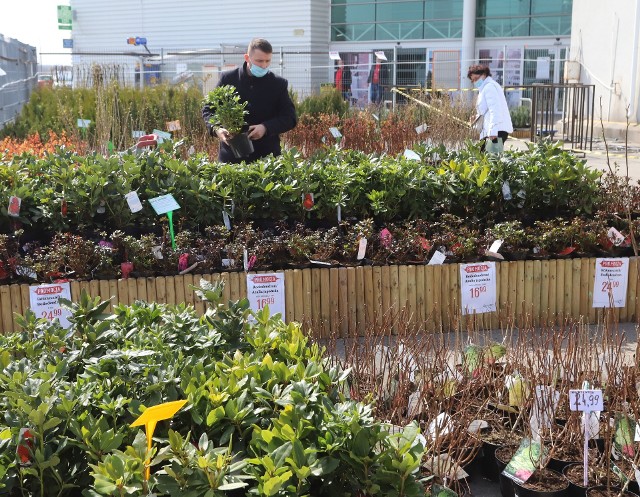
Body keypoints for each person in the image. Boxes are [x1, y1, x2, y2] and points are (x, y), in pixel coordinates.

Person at [202, 38, 297, 163]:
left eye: (267, 61)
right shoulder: (228, 79)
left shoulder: (278, 84)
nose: (264, 65)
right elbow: (208, 109)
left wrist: (265, 128)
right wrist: (217, 129)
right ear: (247, 58)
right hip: (231, 157)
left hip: (266, 160)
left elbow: (290, 118)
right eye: (259, 61)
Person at [468, 64, 513, 150]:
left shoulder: (489, 87)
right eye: (472, 80)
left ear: (484, 74)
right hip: (493, 130)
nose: (475, 82)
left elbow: (495, 109)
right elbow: (486, 111)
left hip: (495, 131)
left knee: (490, 160)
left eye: (476, 78)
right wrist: (477, 117)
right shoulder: (485, 88)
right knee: (488, 159)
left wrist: (493, 130)